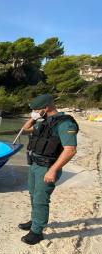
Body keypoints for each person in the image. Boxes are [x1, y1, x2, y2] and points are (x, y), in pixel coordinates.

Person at [19, 93, 79, 245]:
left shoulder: (65, 124)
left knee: (41, 199)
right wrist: (34, 117)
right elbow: (25, 129)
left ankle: (37, 232)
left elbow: (70, 150)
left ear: (46, 108)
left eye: (36, 109)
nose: (34, 112)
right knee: (33, 195)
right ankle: (34, 221)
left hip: (47, 167)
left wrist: (53, 170)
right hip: (34, 164)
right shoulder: (44, 120)